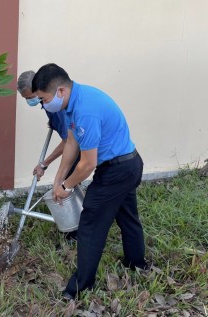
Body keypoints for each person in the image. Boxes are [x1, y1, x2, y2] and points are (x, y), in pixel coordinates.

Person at [32, 63, 148, 300]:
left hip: (118, 170)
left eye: (43, 99)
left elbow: (87, 164)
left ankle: (80, 286)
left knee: (90, 225)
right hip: (128, 164)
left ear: (60, 91)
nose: (43, 105)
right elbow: (72, 143)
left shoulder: (85, 110)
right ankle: (137, 263)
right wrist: (58, 179)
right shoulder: (76, 100)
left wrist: (66, 187)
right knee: (127, 216)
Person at [17, 70, 78, 240]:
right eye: (26, 99)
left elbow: (68, 141)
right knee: (69, 184)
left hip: (77, 148)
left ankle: (75, 231)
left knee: (66, 186)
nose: (30, 101)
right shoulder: (46, 103)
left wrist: (45, 163)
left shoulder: (55, 105)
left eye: (31, 97)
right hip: (73, 144)